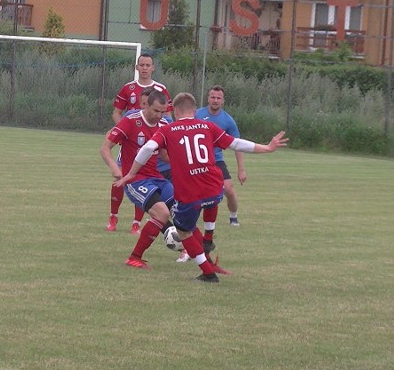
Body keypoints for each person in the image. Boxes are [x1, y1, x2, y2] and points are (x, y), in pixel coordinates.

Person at [116, 92, 287, 283]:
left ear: (175, 112)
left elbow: (148, 149)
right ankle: (208, 243)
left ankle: (207, 272)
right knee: (191, 220)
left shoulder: (168, 129)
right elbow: (236, 143)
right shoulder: (208, 126)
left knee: (183, 229)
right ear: (195, 111)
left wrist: (130, 173)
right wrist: (267, 147)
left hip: (190, 191)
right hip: (214, 188)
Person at [101, 90, 175, 270]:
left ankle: (196, 253)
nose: (159, 116)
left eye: (163, 112)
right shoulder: (130, 121)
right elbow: (105, 148)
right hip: (135, 180)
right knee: (162, 213)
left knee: (182, 208)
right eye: (156, 111)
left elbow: (165, 156)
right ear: (146, 105)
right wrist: (115, 168)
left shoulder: (164, 124)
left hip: (156, 177)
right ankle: (134, 257)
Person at [177, 85, 244, 263]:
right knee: (195, 198)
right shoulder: (197, 114)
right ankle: (191, 243)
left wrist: (241, 169)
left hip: (216, 160)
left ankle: (233, 216)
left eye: (218, 98)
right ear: (208, 98)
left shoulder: (228, 120)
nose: (215, 100)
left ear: (223, 100)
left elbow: (237, 144)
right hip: (196, 162)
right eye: (212, 97)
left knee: (228, 189)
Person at [107, 53, 172, 234]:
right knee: (120, 178)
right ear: (137, 67)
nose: (144, 68)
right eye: (141, 65)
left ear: (153, 68)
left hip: (153, 143)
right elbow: (117, 113)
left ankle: (137, 222)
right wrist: (124, 132)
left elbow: (168, 116)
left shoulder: (161, 89)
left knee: (147, 181)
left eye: (147, 65)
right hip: (131, 141)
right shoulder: (128, 88)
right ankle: (113, 216)